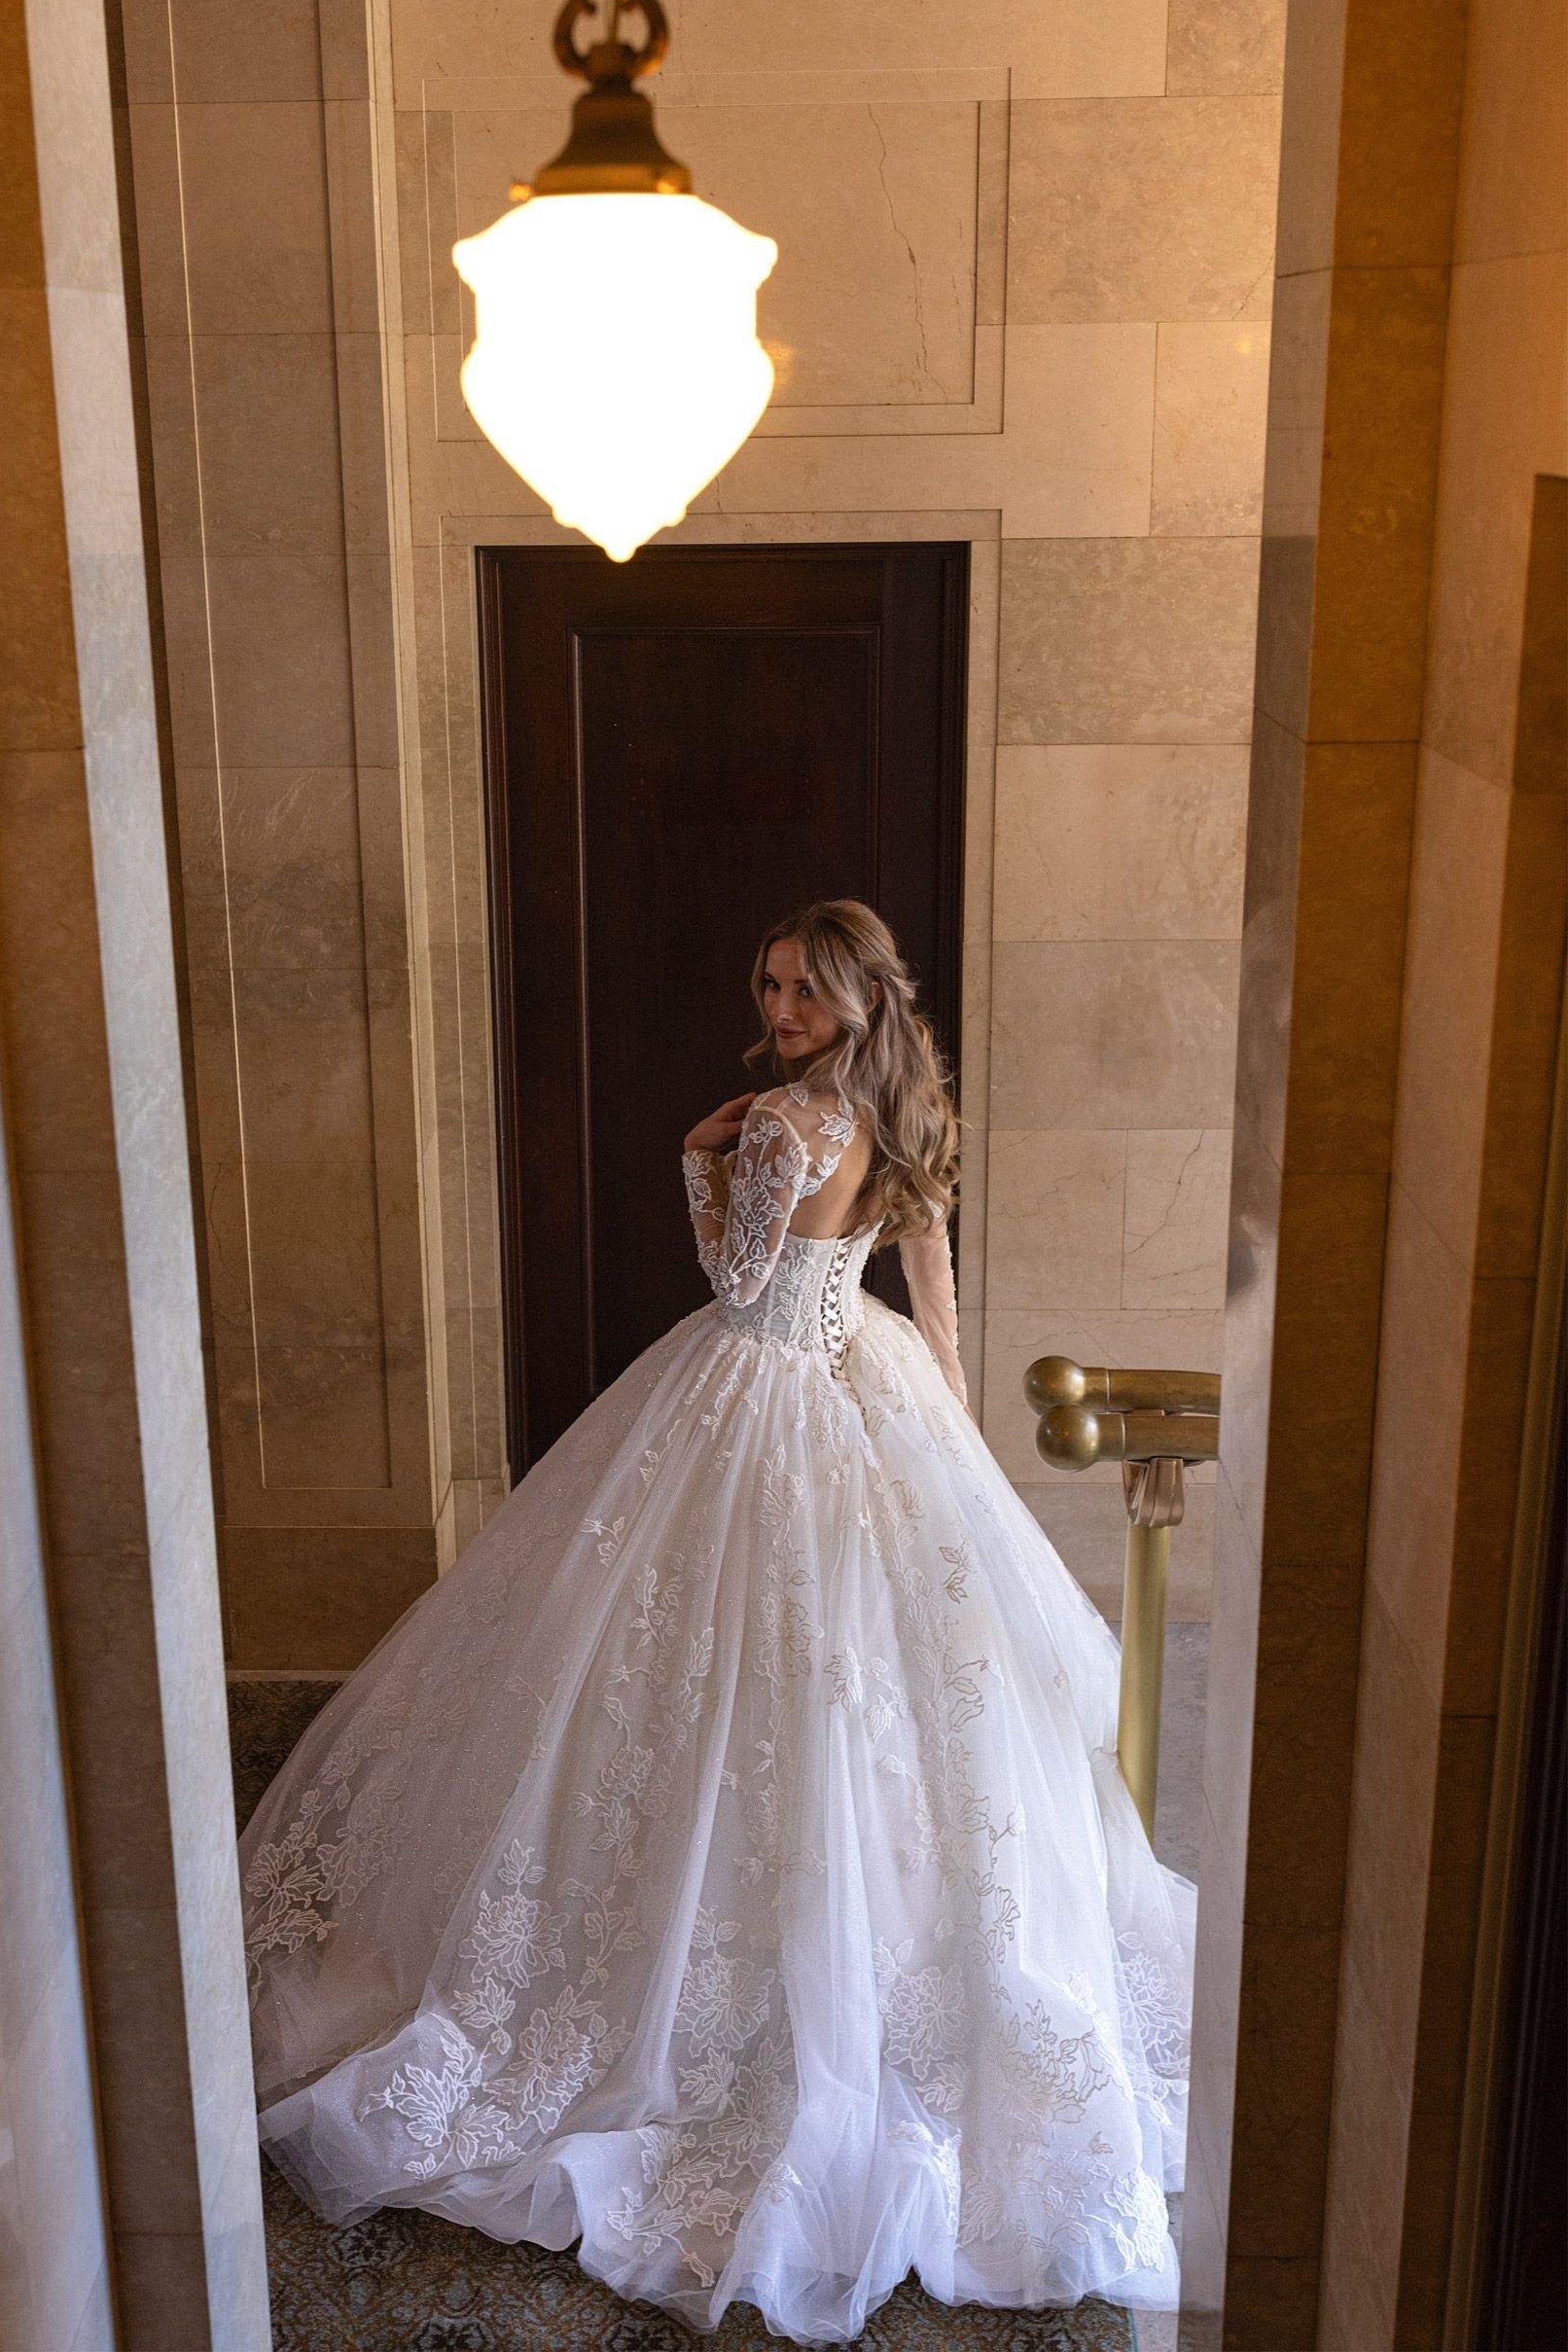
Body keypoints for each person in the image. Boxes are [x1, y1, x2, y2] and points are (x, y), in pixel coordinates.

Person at [240, 898, 1193, 2344]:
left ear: (856, 999)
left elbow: (739, 1282)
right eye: (772, 984)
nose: (784, 1007)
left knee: (681, 1688)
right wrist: (942, 1450)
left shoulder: (776, 1126)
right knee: (864, 1702)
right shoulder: (906, 1126)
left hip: (751, 1392)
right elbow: (934, 1314)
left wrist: (698, 1156)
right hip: (867, 1386)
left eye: (805, 989)